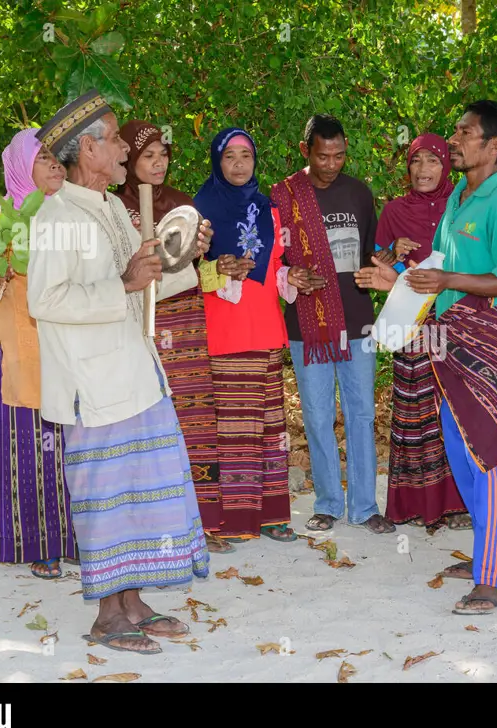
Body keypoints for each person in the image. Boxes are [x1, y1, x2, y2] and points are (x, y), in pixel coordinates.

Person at [27, 90, 212, 654]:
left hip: (136, 372)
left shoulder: (108, 207)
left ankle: (131, 602)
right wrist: (125, 284)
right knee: (107, 496)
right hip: (95, 386)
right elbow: (45, 299)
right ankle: (108, 615)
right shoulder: (57, 215)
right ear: (87, 148)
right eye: (112, 138)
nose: (122, 148)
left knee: (140, 490)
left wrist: (187, 257)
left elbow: (147, 277)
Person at [356, 100, 497, 614]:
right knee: (459, 449)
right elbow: (437, 268)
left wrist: (447, 280)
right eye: (455, 131)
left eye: (465, 132)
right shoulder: (458, 194)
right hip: (445, 331)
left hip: (483, 335)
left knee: (484, 451)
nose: (454, 140)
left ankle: (492, 581)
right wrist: (397, 281)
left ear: (493, 145)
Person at [270, 114, 395, 535]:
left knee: (361, 414)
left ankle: (364, 506)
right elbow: (272, 262)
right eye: (324, 156)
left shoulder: (359, 192)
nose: (332, 164)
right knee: (318, 415)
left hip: (357, 319)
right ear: (306, 151)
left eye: (340, 155)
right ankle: (326, 502)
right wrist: (292, 276)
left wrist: (385, 262)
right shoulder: (283, 196)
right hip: (307, 324)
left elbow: (370, 255)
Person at [0, 128, 75, 579]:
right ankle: (39, 544)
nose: (55, 165)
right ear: (20, 164)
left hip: (72, 352)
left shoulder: (72, 211)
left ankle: (77, 540)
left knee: (73, 452)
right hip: (26, 354)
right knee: (31, 451)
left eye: (58, 158)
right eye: (43, 157)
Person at [113, 120, 230, 555]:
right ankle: (150, 526)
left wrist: (209, 256)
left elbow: (201, 273)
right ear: (129, 161)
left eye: (163, 154)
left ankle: (202, 524)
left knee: (195, 418)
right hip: (139, 322)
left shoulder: (184, 205)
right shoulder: (112, 208)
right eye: (148, 156)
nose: (158, 163)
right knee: (148, 418)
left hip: (186, 322)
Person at [194, 127, 311, 543]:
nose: (239, 164)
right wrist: (217, 269)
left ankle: (272, 515)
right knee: (226, 427)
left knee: (266, 424)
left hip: (263, 326)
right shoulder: (199, 210)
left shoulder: (270, 209)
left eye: (246, 156)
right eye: (230, 157)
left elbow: (273, 263)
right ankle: (223, 523)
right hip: (222, 329)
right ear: (217, 161)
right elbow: (183, 274)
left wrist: (289, 275)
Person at [370, 132, 468, 531]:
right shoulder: (395, 210)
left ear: (446, 166)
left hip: (456, 320)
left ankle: (458, 504)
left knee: (456, 409)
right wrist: (394, 250)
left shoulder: (460, 206)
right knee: (416, 411)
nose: (423, 169)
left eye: (432, 161)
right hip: (411, 324)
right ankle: (417, 505)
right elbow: (379, 262)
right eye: (415, 161)